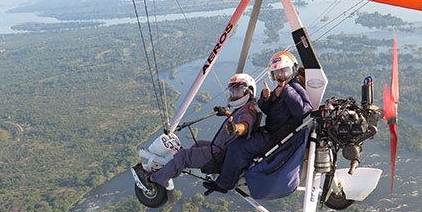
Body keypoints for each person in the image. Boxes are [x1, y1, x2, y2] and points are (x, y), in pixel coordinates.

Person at [203, 51, 313, 194]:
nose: (280, 76)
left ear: (292, 70)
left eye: (283, 71)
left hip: (277, 136)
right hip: (272, 131)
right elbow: (270, 111)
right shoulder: (284, 87)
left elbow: (305, 110)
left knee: (238, 147)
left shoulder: (294, 87)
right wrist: (266, 98)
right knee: (237, 142)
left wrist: (286, 92)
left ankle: (225, 184)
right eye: (277, 73)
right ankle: (222, 169)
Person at [133, 73, 259, 189]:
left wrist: (237, 128)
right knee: (198, 144)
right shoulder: (246, 107)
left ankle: (153, 179)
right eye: (232, 91)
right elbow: (238, 119)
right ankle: (180, 167)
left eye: (238, 91)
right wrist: (226, 113)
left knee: (183, 155)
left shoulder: (249, 111)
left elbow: (245, 124)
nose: (234, 95)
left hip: (219, 154)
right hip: (221, 149)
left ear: (249, 91)